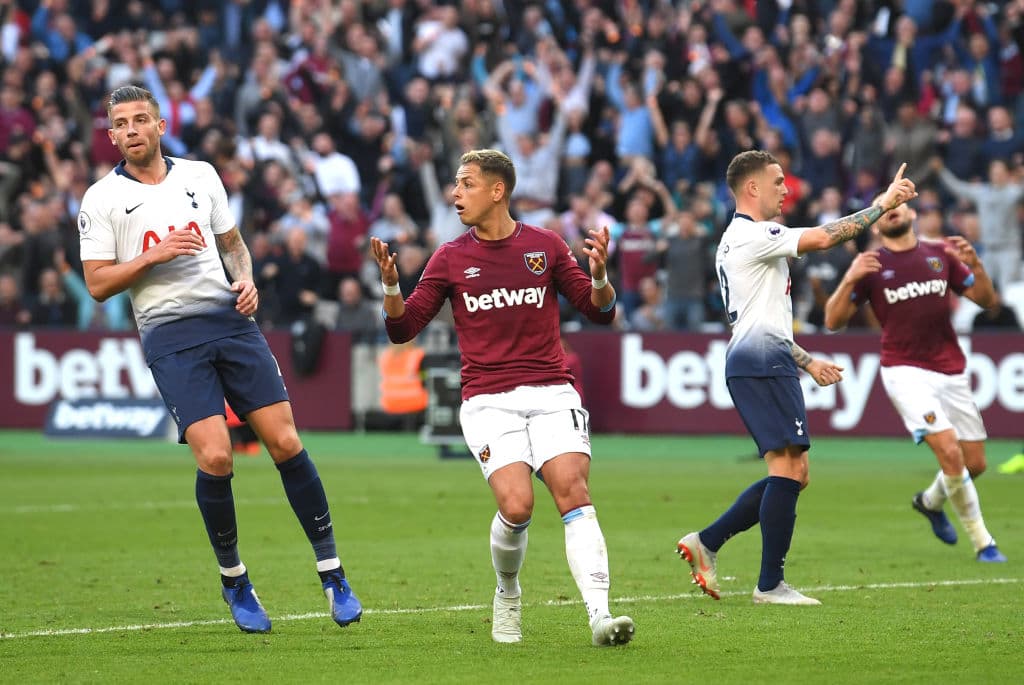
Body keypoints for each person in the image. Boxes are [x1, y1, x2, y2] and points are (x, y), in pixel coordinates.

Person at [77, 86, 362, 633]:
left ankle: (333, 573)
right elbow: (96, 284)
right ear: (111, 135)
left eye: (141, 119)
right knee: (216, 457)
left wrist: (247, 278)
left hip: (231, 323)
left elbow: (232, 243)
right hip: (170, 335)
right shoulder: (101, 199)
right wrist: (154, 254)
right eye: (121, 123)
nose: (132, 129)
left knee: (285, 442)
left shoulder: (201, 176)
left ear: (160, 125)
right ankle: (235, 581)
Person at [370, 148, 634, 647]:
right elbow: (402, 328)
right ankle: (507, 592)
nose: (455, 193)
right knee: (517, 506)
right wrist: (389, 286)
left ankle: (600, 615)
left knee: (574, 494)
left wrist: (600, 277)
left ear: (498, 190)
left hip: (553, 391)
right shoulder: (450, 258)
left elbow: (600, 312)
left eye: (466, 183)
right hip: (488, 399)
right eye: (455, 183)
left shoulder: (546, 247)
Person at [677, 151, 918, 606]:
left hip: (766, 359)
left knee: (795, 472)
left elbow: (762, 320)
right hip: (761, 365)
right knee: (786, 469)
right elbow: (827, 237)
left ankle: (707, 542)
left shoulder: (735, 240)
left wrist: (805, 361)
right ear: (752, 188)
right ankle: (769, 585)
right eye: (778, 181)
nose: (786, 189)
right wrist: (882, 204)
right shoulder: (754, 234)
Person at [823, 201, 1007, 563]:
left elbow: (986, 301)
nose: (893, 209)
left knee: (976, 463)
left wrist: (978, 266)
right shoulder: (872, 265)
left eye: (899, 204)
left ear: (912, 215)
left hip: (950, 369)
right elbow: (832, 320)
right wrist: (850, 277)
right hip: (904, 370)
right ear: (876, 225)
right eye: (885, 206)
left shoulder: (941, 254)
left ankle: (929, 502)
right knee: (950, 451)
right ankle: (984, 542)